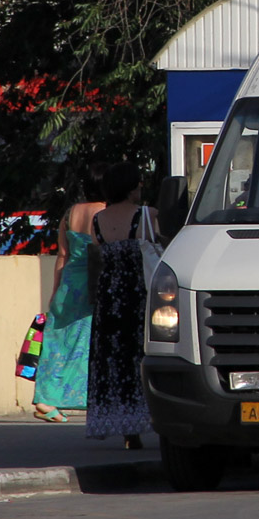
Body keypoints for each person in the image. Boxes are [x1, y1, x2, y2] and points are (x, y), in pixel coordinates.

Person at [86, 161, 158, 448]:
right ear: (130, 187)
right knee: (141, 356)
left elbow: (97, 259)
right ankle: (152, 417)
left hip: (109, 300)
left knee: (114, 362)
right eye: (138, 182)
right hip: (138, 296)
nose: (141, 187)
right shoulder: (147, 216)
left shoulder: (97, 220)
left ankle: (128, 429)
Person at [32, 162, 106, 423]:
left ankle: (46, 398)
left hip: (69, 283)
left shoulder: (70, 213)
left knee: (57, 342)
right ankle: (85, 398)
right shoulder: (107, 213)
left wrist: (55, 292)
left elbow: (62, 255)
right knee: (87, 344)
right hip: (94, 281)